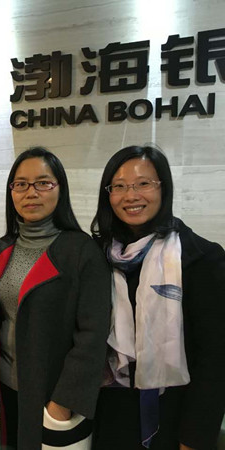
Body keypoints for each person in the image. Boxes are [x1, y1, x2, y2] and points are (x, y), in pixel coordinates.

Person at [0, 147, 112, 450]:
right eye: (21, 184)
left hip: (54, 397)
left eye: (43, 183)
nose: (31, 192)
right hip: (4, 389)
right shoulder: (3, 248)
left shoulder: (82, 252)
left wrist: (64, 402)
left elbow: (93, 336)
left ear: (60, 189)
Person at [91, 145, 225, 450]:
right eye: (119, 186)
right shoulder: (95, 256)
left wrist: (194, 438)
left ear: (164, 188)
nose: (131, 195)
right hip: (107, 411)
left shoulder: (201, 258)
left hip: (174, 415)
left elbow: (215, 360)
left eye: (143, 183)